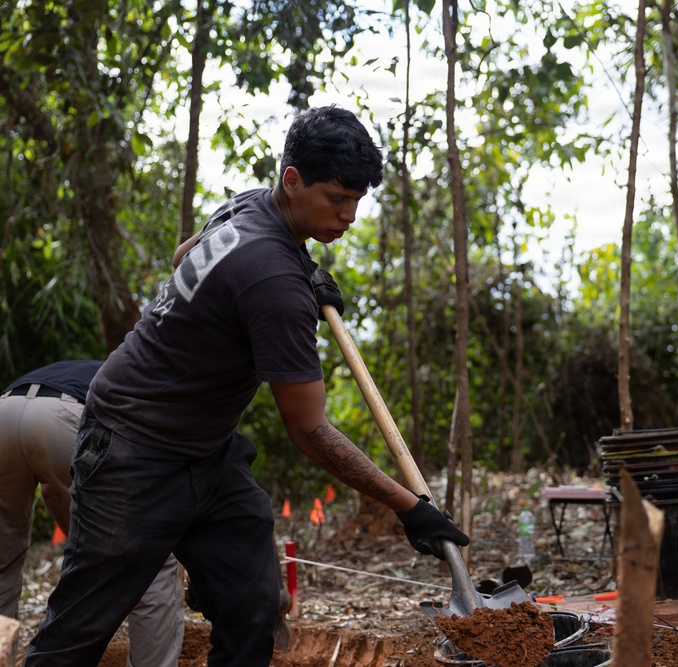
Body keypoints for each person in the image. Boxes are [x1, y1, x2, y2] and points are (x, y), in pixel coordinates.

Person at [23, 104, 469, 666]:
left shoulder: (249, 206)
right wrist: (411, 506)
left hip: (206, 452)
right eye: (336, 198)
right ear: (292, 179)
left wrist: (306, 273)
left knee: (254, 605)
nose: (350, 215)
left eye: (358, 200)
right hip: (130, 449)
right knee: (78, 632)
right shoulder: (273, 281)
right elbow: (310, 432)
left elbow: (184, 254)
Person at [1, 361, 184, 667]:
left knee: (2, 562)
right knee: (154, 561)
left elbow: (54, 492)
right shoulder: (153, 383)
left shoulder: (97, 368)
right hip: (66, 416)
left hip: (5, 410)